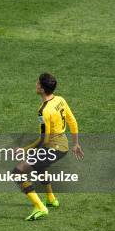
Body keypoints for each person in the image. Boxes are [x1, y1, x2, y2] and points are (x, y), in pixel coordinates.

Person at [12, 73, 84, 221]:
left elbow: (43, 140)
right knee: (39, 166)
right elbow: (73, 121)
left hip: (53, 148)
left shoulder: (43, 111)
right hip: (62, 145)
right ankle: (51, 199)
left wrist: (24, 150)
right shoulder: (60, 100)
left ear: (43, 89)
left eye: (38, 83)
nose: (36, 84)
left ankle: (40, 207)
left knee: (17, 172)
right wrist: (75, 143)